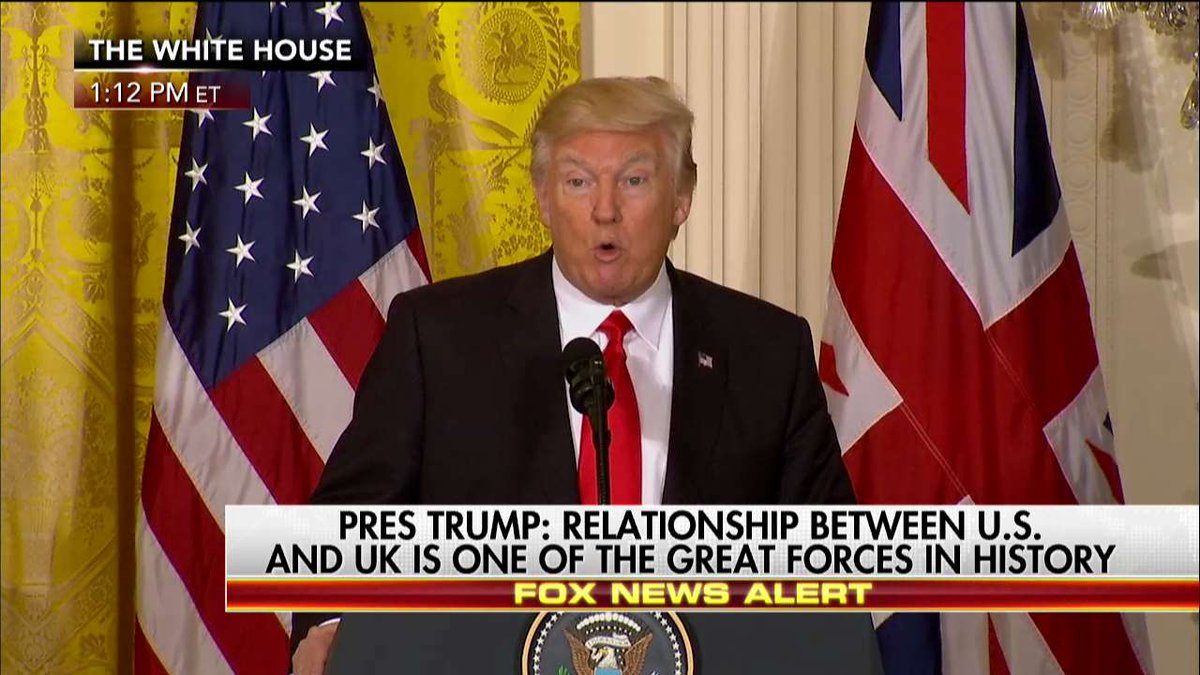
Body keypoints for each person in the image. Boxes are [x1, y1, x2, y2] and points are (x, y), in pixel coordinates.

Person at [291, 76, 855, 674]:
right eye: (578, 181)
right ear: (542, 198)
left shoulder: (766, 351)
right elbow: (344, 525)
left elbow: (831, 560)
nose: (604, 210)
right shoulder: (438, 337)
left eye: (634, 181)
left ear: (681, 200)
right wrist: (333, 633)